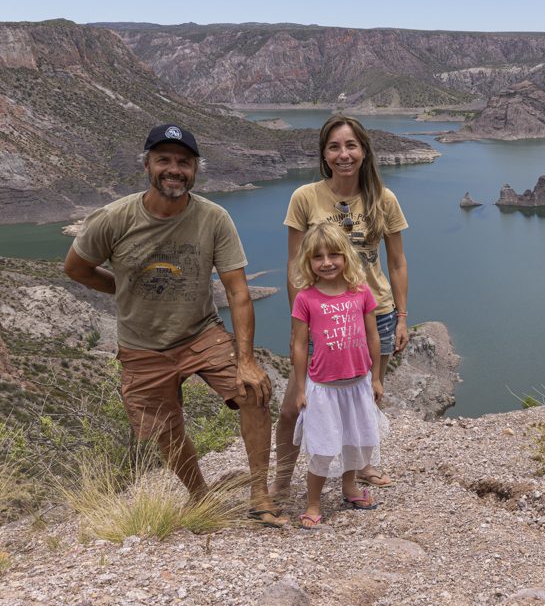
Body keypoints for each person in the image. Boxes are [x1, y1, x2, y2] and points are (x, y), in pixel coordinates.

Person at [63, 123, 287, 528]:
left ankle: (260, 493)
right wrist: (124, 288)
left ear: (195, 169)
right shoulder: (114, 218)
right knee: (165, 428)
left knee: (253, 391)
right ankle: (199, 496)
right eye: (163, 160)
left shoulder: (213, 218)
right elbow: (76, 268)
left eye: (184, 162)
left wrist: (247, 360)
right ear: (147, 165)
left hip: (200, 332)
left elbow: (238, 292)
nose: (174, 169)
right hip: (142, 344)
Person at [272, 115, 408, 497]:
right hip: (322, 316)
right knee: (293, 405)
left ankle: (361, 467)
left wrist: (401, 317)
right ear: (324, 154)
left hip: (374, 313)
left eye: (351, 146)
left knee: (363, 398)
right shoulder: (305, 197)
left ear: (364, 151)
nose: (343, 154)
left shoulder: (383, 199)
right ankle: (282, 478)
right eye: (334, 147)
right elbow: (294, 264)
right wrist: (299, 323)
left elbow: (398, 262)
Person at [290, 222, 386, 528]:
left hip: (357, 384)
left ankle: (350, 488)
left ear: (346, 256)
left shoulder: (361, 292)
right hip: (324, 388)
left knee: (354, 441)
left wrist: (376, 377)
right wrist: (300, 388)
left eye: (334, 255)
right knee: (321, 447)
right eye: (318, 257)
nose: (327, 262)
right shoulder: (306, 298)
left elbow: (373, 336)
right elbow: (299, 344)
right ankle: (313, 503)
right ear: (308, 261)